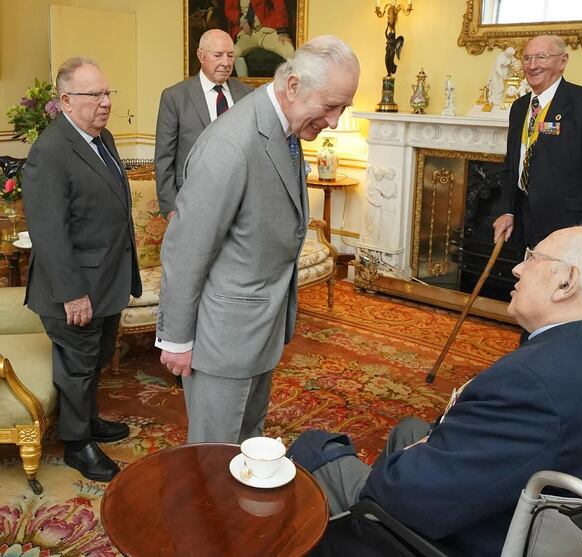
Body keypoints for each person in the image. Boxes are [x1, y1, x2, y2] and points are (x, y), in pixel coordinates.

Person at [292, 226, 582, 557]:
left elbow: (406, 496)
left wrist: (411, 461)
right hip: (562, 524)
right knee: (409, 429)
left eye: (532, 258)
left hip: (479, 541)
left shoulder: (534, 384)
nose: (517, 268)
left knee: (316, 448)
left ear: (566, 282)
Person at [156, 35, 360, 443]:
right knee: (213, 458)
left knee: (247, 446)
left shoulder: (284, 126)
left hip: (257, 330)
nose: (335, 121)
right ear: (293, 86)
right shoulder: (231, 143)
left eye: (344, 107)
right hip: (222, 341)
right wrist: (176, 338)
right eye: (330, 106)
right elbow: (187, 246)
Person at [22, 57, 142, 482]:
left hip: (106, 280)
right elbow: (49, 233)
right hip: (73, 287)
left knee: (94, 360)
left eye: (108, 93)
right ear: (67, 101)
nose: (106, 102)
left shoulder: (101, 137)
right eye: (95, 95)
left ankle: (88, 422)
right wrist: (72, 293)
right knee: (76, 367)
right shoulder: (50, 152)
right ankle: (77, 444)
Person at [492, 35, 582, 262]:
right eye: (527, 58)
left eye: (541, 57)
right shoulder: (519, 107)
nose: (532, 65)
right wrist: (508, 210)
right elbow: (512, 165)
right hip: (524, 225)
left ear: (562, 61)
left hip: (570, 228)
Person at [155, 28, 253, 218]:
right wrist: (170, 208)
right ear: (201, 55)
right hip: (192, 200)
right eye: (218, 55)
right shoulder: (175, 97)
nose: (226, 63)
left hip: (240, 202)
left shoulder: (247, 94)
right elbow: (164, 157)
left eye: (230, 55)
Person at [225, 0, 296, 77]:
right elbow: (229, 9)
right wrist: (241, 20)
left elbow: (279, 4)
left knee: (290, 51)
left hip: (268, 31)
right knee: (234, 54)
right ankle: (244, 84)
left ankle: (288, 84)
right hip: (248, 34)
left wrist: (282, 31)